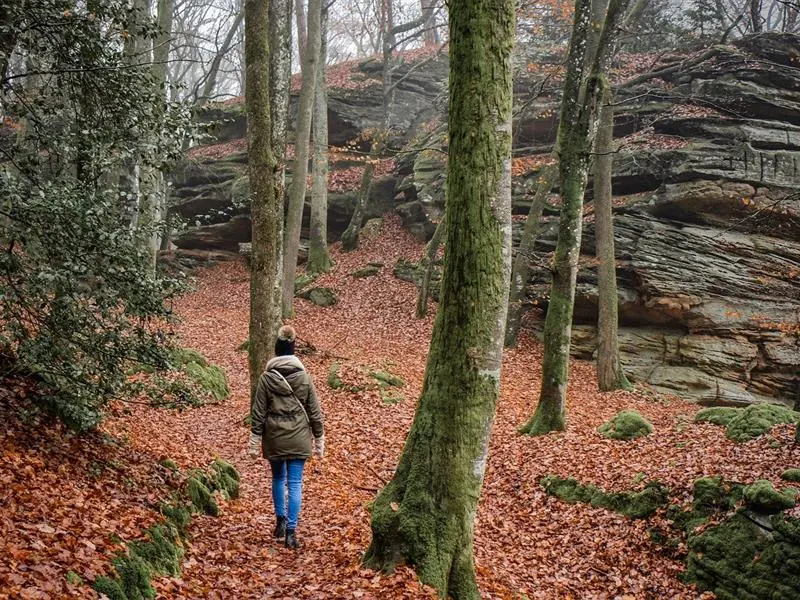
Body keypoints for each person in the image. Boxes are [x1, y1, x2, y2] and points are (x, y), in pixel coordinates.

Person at [249, 325, 324, 549]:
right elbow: (315, 412)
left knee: (278, 479)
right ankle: (292, 532)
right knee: (295, 483)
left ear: (276, 349)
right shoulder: (304, 378)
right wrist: (319, 440)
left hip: (274, 438)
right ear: (293, 350)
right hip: (299, 438)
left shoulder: (266, 379)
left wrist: (254, 441)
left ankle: (280, 522)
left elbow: (258, 412)